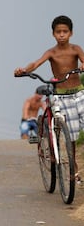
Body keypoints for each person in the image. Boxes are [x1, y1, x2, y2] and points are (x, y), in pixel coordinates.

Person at [14, 15, 84, 183]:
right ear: (53, 34)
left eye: (65, 31)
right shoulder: (51, 53)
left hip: (78, 93)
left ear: (71, 33)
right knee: (71, 135)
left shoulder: (76, 49)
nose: (61, 35)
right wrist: (24, 70)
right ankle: (72, 166)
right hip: (61, 95)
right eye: (58, 32)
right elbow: (36, 64)